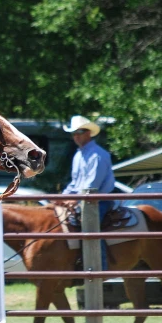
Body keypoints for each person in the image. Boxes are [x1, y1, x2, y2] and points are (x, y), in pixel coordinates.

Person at [62, 115, 115, 270]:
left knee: (89, 225)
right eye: (74, 133)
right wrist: (63, 197)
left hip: (99, 200)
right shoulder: (78, 155)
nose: (76, 136)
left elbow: (92, 186)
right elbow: (75, 183)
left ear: (88, 133)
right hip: (82, 199)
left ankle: (100, 266)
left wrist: (75, 200)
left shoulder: (98, 155)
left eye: (79, 132)